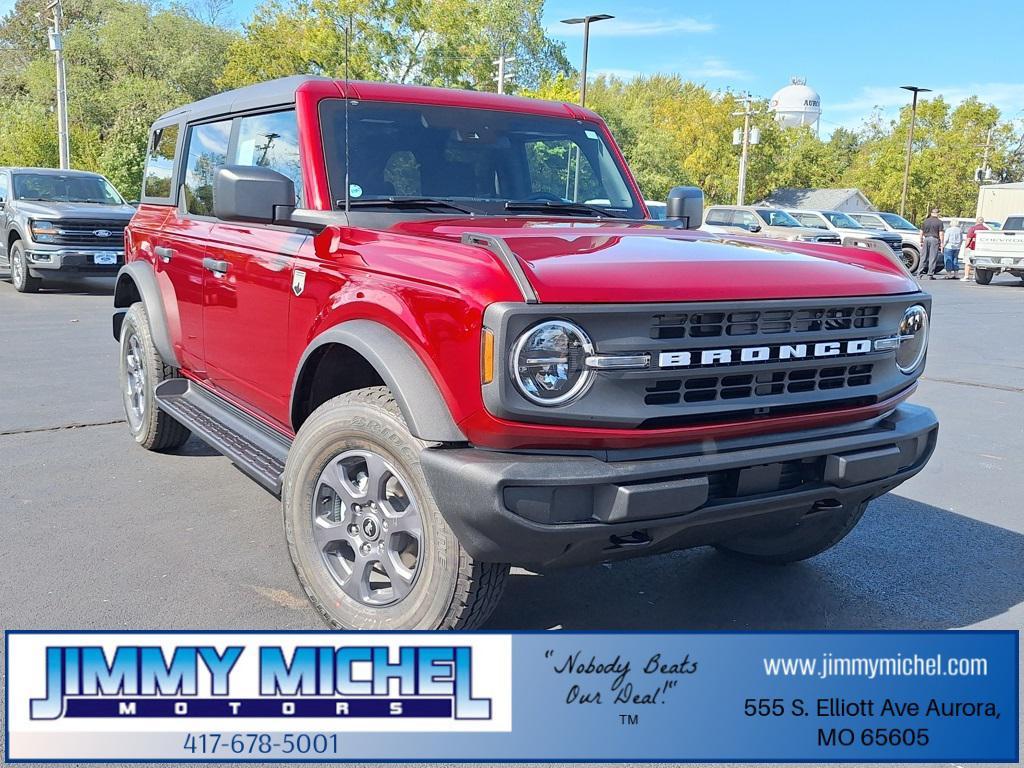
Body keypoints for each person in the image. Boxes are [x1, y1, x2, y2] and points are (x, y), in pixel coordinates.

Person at [918, 207, 943, 279]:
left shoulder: (925, 221)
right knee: (933, 257)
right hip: (934, 239)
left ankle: (919, 273)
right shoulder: (939, 222)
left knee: (923, 257)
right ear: (938, 214)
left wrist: (921, 240)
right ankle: (930, 274)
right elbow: (941, 233)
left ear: (931, 213)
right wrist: (941, 243)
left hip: (926, 239)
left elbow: (921, 232)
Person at [963, 216, 988, 281]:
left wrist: (966, 246)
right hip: (981, 248)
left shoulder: (973, 228)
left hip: (972, 247)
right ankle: (975, 276)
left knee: (968, 262)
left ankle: (966, 276)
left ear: (976, 221)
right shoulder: (986, 229)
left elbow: (969, 238)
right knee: (977, 262)